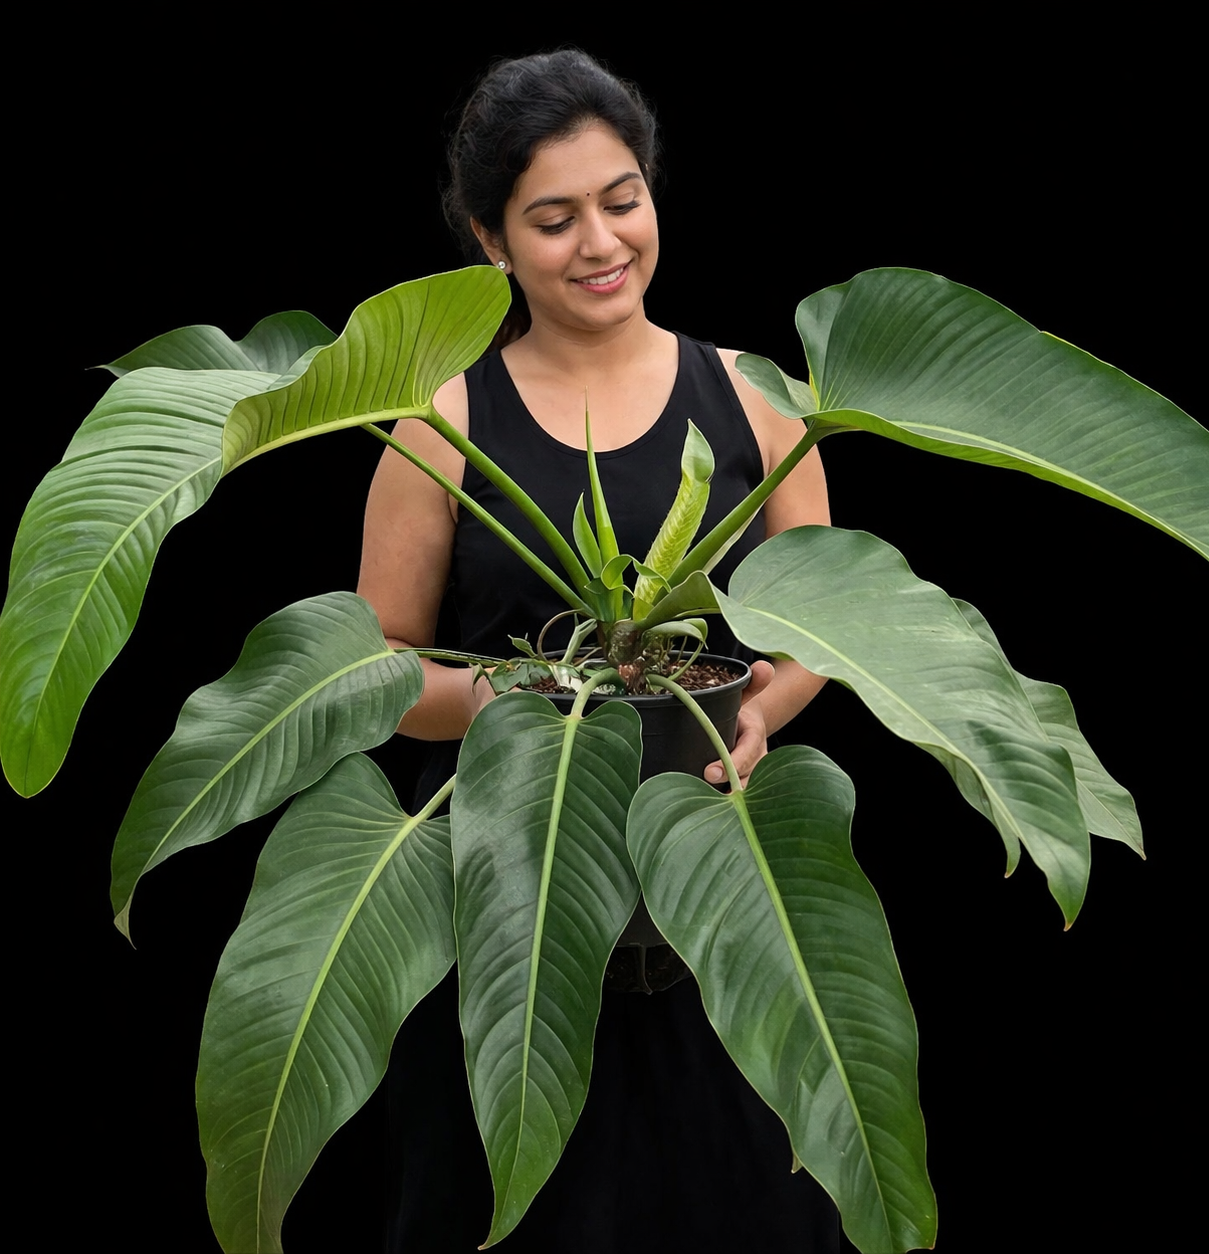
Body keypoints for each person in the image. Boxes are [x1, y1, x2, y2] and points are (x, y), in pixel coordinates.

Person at [358, 50, 839, 1253]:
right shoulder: (441, 424)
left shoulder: (756, 396)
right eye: (553, 218)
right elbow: (378, 672)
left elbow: (827, 624)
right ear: (492, 241)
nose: (600, 242)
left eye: (622, 199)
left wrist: (762, 713)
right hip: (504, 899)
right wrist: (543, 713)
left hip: (721, 879)